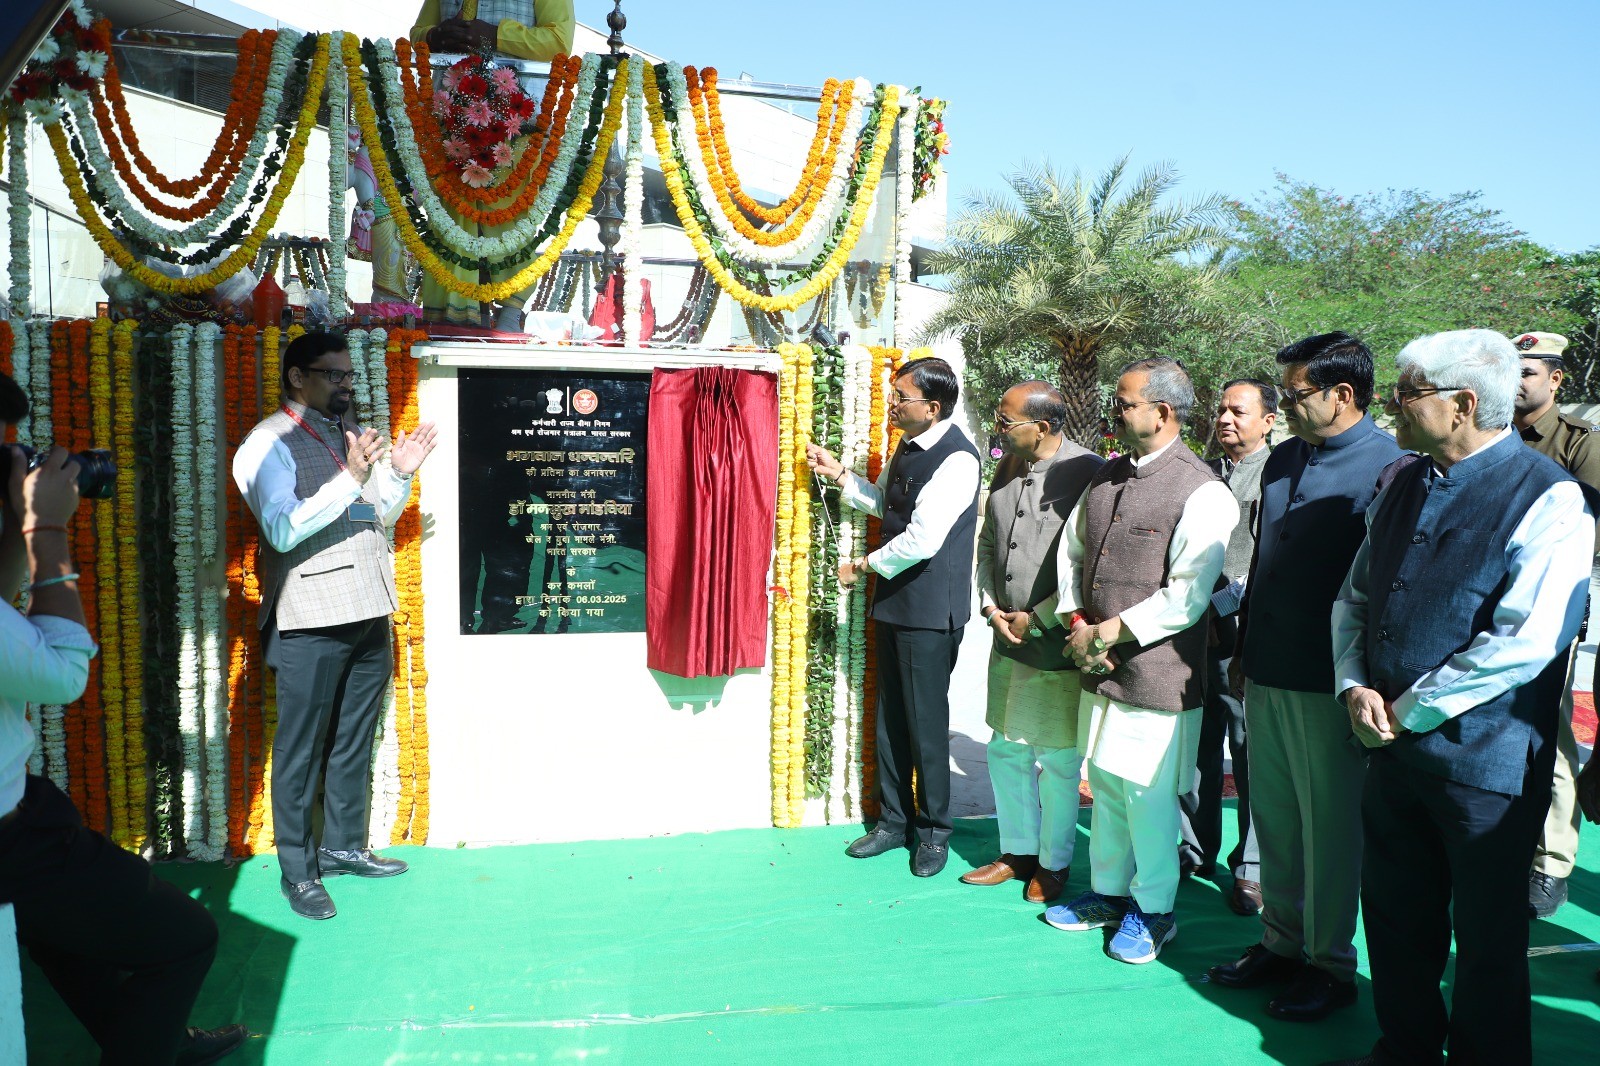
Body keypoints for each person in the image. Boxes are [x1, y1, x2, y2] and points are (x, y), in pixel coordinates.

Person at [1321, 329, 1594, 1066]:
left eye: (1407, 393)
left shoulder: (1551, 497)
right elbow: (1355, 598)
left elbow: (1526, 640)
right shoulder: (1403, 483)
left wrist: (1407, 709)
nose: (1392, 405)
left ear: (1463, 404)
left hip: (1485, 767)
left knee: (1487, 945)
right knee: (1395, 923)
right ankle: (1404, 1049)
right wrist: (1353, 683)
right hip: (1392, 755)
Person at [0, 372, 246, 1063]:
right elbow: (64, 673)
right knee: (186, 938)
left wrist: (18, 524)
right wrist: (46, 529)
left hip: (23, 810)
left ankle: (149, 1039)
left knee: (64, 938)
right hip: (10, 838)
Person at [1207, 333, 1403, 1021]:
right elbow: (1264, 562)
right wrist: (1244, 652)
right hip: (1267, 667)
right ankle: (1281, 943)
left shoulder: (1390, 467)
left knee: (1328, 833)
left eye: (1296, 395)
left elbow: (1379, 590)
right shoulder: (1286, 457)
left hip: (1330, 682)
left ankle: (1329, 965)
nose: (1284, 407)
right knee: (1276, 820)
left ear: (1343, 395)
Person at [233, 333, 439, 920]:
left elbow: (374, 516)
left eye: (348, 375)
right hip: (310, 617)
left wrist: (397, 475)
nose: (346, 385)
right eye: (333, 375)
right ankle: (299, 873)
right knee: (300, 751)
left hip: (369, 608)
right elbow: (281, 530)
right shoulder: (265, 443)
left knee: (353, 738)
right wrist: (349, 476)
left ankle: (344, 846)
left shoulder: (347, 433)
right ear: (297, 377)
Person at [1044, 357, 1237, 965]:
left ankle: (1154, 910)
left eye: (1125, 403)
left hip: (1157, 675)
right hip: (1098, 668)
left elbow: (1188, 594)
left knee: (1148, 796)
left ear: (1164, 412)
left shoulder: (1202, 490)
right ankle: (1107, 893)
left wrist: (1106, 634)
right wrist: (1078, 622)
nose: (1115, 411)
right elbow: (1072, 553)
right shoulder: (1107, 475)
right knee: (1104, 784)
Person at [806, 356, 981, 878]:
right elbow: (887, 503)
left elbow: (923, 539)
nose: (893, 404)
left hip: (929, 610)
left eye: (902, 396)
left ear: (934, 406)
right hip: (897, 602)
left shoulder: (958, 459)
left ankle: (934, 833)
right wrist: (841, 475)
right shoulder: (909, 445)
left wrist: (863, 565)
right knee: (891, 720)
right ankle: (892, 822)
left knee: (925, 725)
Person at [962, 382, 1102, 903]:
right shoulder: (1008, 465)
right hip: (1006, 638)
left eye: (1006, 421)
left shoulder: (1088, 472)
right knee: (1006, 749)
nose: (997, 430)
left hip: (1055, 643)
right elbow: (989, 543)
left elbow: (1090, 563)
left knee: (1058, 760)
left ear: (1042, 427)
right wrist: (990, 608)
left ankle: (1053, 862)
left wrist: (1038, 618)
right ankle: (1017, 852)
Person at [408, 0, 577, 330]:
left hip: (516, 121)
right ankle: (449, 319)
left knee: (507, 216)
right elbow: (417, 34)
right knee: (449, 220)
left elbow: (559, 41)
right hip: (450, 117)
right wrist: (437, 35)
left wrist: (496, 35)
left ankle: (511, 311)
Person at [1511, 330, 1600, 921]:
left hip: (1552, 604)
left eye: (1527, 372)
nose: (1516, 382)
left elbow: (1592, 529)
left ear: (1556, 379)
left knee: (1550, 726)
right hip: (1487, 602)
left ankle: (1551, 861)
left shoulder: (1577, 442)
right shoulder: (1491, 434)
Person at [1179, 378, 1274, 915]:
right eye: (1221, 410)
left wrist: (1217, 610)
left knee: (1248, 750)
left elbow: (1263, 562)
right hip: (1192, 633)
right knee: (1197, 745)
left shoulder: (1278, 475)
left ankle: (1252, 868)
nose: (1225, 419)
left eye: (1238, 411)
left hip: (1242, 634)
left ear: (1268, 421)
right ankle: (1194, 850)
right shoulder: (1203, 473)